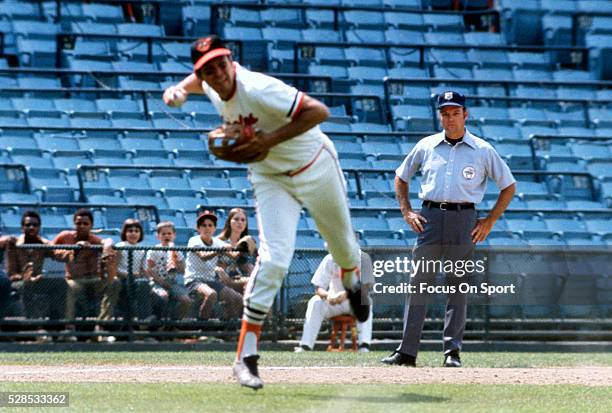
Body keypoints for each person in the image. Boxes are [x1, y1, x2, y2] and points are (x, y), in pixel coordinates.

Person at [163, 35, 368, 390]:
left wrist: (267, 141)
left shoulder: (257, 88)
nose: (218, 74)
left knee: (343, 245)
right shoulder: (211, 84)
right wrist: (180, 90)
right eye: (208, 70)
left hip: (315, 166)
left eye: (221, 64)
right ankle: (246, 358)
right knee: (273, 260)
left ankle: (351, 280)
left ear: (232, 61)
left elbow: (319, 111)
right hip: (270, 175)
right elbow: (196, 81)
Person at [380, 91, 516, 368]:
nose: (450, 118)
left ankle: (451, 352)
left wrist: (489, 221)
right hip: (429, 217)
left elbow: (508, 185)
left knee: (457, 287)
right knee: (418, 285)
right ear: (439, 115)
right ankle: (407, 352)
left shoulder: (483, 149)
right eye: (445, 113)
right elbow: (400, 177)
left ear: (466, 115)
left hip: (464, 220)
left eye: (455, 112)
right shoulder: (426, 146)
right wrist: (407, 211)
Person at [51, 208, 120, 342]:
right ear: (74, 224)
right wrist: (72, 251)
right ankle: (69, 329)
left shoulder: (94, 239)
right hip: (74, 280)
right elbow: (50, 248)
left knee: (114, 282)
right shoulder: (65, 236)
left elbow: (108, 241)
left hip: (94, 280)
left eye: (85, 223)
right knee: (69, 286)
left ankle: (101, 328)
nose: (81, 226)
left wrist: (107, 246)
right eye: (79, 223)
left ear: (91, 225)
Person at [295, 251, 374, 353]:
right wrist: (328, 296)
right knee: (315, 302)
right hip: (333, 302)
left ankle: (364, 346)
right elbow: (318, 287)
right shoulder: (329, 259)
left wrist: (346, 295)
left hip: (353, 303)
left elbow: (366, 287)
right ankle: (305, 346)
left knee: (366, 300)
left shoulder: (364, 258)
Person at [6, 211, 67, 330]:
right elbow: (11, 273)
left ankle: (59, 326)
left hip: (38, 280)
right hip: (18, 282)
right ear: (22, 228)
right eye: (28, 225)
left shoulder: (43, 243)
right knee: (26, 285)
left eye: (35, 225)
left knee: (61, 284)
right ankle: (34, 328)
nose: (31, 227)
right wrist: (24, 277)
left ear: (39, 227)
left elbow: (59, 254)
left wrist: (76, 250)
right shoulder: (14, 244)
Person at [184, 211, 243, 320]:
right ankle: (202, 325)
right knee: (211, 294)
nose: (207, 228)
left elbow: (234, 256)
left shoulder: (217, 242)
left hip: (211, 280)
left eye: (210, 225)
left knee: (237, 298)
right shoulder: (194, 240)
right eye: (204, 225)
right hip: (194, 280)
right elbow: (203, 256)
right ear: (198, 228)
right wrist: (220, 250)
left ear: (214, 228)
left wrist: (243, 247)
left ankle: (226, 324)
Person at [146, 222, 192, 321]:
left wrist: (175, 257)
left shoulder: (177, 251)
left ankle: (175, 322)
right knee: (163, 296)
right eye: (163, 234)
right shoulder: (153, 250)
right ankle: (157, 320)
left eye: (169, 233)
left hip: (172, 283)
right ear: (158, 236)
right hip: (156, 282)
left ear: (174, 235)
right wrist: (161, 282)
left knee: (186, 301)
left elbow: (182, 270)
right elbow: (149, 270)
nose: (166, 236)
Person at [115, 219, 152, 321]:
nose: (133, 234)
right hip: (122, 280)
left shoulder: (142, 249)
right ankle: (144, 319)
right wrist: (130, 275)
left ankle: (152, 325)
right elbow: (114, 269)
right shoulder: (119, 247)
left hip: (136, 281)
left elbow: (143, 270)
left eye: (136, 231)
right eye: (130, 231)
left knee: (157, 297)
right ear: (125, 233)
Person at [215, 207, 255, 293]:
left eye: (243, 220)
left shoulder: (245, 242)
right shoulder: (220, 241)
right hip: (220, 278)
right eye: (236, 219)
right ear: (229, 222)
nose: (240, 222)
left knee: (256, 281)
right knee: (251, 283)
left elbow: (242, 263)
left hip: (237, 277)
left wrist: (249, 267)